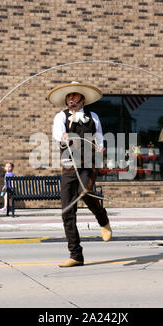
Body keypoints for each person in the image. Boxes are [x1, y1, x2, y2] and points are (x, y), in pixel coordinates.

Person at [48, 81, 112, 268]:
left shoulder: (93, 117)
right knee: (67, 210)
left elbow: (99, 136)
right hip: (69, 165)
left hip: (89, 163)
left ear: (82, 99)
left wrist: (101, 146)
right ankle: (76, 255)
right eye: (68, 97)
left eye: (74, 96)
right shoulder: (61, 116)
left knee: (86, 192)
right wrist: (63, 136)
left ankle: (103, 219)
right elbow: (56, 132)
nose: (71, 100)